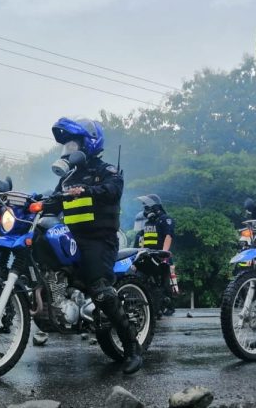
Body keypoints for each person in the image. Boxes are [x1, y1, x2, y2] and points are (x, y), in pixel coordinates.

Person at [46, 117, 143, 374]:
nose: (68, 150)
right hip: (73, 238)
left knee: (100, 289)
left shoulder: (106, 171)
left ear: (88, 144)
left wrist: (87, 190)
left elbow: (112, 190)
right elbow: (52, 202)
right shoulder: (67, 178)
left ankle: (132, 348)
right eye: (65, 146)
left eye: (73, 145)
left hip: (99, 239)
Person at [137, 193, 177, 316]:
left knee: (164, 283)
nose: (145, 210)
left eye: (147, 207)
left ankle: (168, 307)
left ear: (155, 207)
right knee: (146, 282)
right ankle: (153, 308)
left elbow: (168, 236)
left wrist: (164, 254)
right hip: (148, 256)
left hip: (161, 257)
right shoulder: (148, 223)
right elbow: (142, 240)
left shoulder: (165, 219)